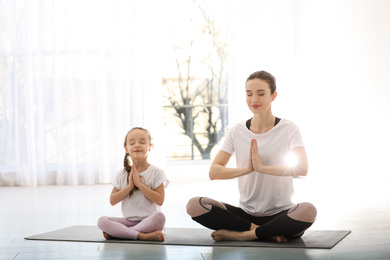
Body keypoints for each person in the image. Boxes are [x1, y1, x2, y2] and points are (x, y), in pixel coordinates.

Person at [186, 70, 317, 243]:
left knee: (308, 210)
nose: (254, 100)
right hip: (246, 215)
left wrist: (262, 169)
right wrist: (246, 170)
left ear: (273, 96)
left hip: (280, 214)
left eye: (261, 94)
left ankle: (243, 234)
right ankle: (260, 231)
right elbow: (214, 172)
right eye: (249, 94)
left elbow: (302, 168)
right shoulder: (237, 130)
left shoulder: (289, 128)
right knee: (195, 205)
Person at [98, 127, 169, 241]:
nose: (137, 145)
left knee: (160, 217)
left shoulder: (157, 172)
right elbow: (113, 200)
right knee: (102, 221)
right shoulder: (121, 174)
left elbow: (159, 200)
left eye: (142, 142)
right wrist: (130, 186)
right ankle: (141, 235)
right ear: (126, 148)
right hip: (128, 221)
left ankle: (123, 233)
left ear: (150, 146)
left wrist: (140, 184)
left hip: (150, 220)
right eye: (132, 143)